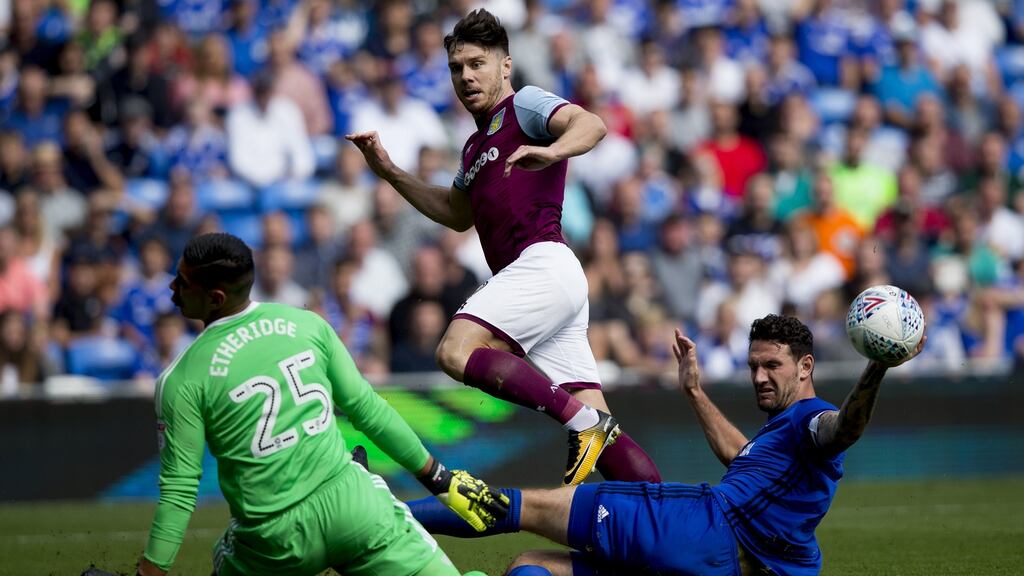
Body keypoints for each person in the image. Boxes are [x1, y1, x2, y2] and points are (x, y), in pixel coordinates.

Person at [347, 8, 660, 487]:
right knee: (607, 435)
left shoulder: (525, 105)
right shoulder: (474, 146)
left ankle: (583, 424)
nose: (466, 76)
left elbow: (591, 124)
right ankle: (665, 514)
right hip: (544, 284)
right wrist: (389, 171)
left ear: (505, 65)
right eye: (456, 68)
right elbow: (455, 213)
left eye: (477, 64)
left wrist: (552, 151)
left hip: (543, 263)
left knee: (455, 351)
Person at [407, 314, 926, 575]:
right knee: (533, 565)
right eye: (753, 366)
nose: (759, 377)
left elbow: (843, 429)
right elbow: (738, 457)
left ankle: (384, 514)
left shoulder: (811, 420)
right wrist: (695, 392)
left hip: (698, 528)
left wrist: (876, 366)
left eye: (772, 366)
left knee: (520, 506)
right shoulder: (782, 436)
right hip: (716, 563)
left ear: (806, 367)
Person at [134, 233, 508, 576]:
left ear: (215, 298)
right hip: (355, 509)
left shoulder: (180, 380)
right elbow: (368, 410)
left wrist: (151, 571)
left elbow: (180, 488)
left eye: (182, 281)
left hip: (274, 543)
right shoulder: (306, 325)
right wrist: (440, 479)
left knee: (228, 555)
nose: (172, 286)